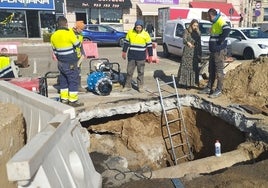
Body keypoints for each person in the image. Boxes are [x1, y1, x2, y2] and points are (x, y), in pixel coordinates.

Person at [50, 16, 83, 107]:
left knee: (63, 80)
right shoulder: (69, 33)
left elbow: (55, 51)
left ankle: (64, 99)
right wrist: (79, 36)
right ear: (66, 24)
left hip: (60, 62)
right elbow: (78, 44)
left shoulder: (53, 35)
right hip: (70, 62)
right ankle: (73, 101)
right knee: (73, 80)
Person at [198, 8, 230, 98]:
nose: (208, 18)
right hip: (213, 51)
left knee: (219, 71)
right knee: (211, 70)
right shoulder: (215, 23)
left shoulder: (220, 20)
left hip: (218, 51)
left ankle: (218, 90)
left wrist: (220, 41)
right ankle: (209, 87)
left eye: (208, 16)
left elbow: (227, 29)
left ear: (211, 15)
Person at [121, 20, 153, 93]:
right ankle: (127, 86)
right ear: (135, 27)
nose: (138, 29)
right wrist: (124, 52)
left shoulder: (146, 34)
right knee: (129, 72)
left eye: (139, 27)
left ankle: (140, 87)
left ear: (142, 27)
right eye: (137, 27)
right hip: (131, 56)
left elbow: (149, 46)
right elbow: (126, 43)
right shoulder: (130, 32)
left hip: (141, 57)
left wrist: (150, 56)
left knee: (141, 72)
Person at [177, 19, 201, 90]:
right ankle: (184, 83)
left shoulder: (198, 32)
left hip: (194, 52)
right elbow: (184, 39)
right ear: (191, 25)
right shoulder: (187, 31)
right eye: (194, 25)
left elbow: (199, 43)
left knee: (192, 68)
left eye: (196, 25)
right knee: (185, 67)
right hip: (187, 52)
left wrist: (199, 52)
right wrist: (188, 43)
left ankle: (191, 83)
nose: (195, 27)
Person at [72, 20, 87, 92]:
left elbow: (81, 45)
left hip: (78, 56)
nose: (82, 31)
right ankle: (72, 87)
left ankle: (79, 86)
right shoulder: (70, 34)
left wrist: (83, 54)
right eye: (81, 29)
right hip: (71, 57)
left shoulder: (80, 35)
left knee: (79, 72)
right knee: (72, 72)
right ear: (77, 28)